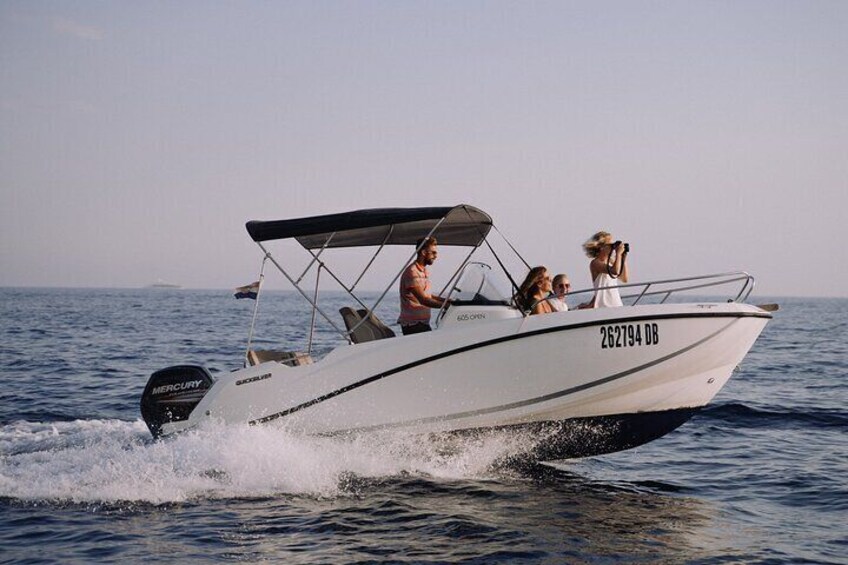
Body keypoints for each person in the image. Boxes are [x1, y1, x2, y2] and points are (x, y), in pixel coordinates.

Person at [397, 237, 450, 335]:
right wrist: (446, 306)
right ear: (423, 252)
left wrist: (450, 301)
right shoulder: (412, 272)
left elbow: (428, 295)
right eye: (433, 253)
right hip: (414, 325)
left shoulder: (423, 271)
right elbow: (423, 300)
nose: (436, 256)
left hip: (423, 323)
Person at [580, 231, 629, 308]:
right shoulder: (595, 263)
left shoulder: (611, 262)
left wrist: (623, 258)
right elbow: (615, 271)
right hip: (604, 307)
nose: (613, 248)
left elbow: (624, 279)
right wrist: (618, 254)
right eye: (610, 245)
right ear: (601, 247)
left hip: (616, 305)